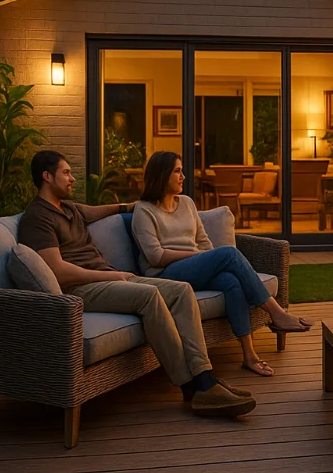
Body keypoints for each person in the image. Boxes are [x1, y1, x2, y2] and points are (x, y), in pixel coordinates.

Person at [18, 150, 255, 417]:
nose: (72, 178)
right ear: (46, 177)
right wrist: (110, 275)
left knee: (181, 290)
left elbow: (95, 211)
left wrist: (129, 207)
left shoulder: (69, 208)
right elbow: (59, 272)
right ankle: (193, 386)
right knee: (149, 296)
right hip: (80, 289)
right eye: (66, 173)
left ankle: (205, 376)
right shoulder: (37, 218)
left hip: (107, 277)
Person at [131, 151, 316, 377]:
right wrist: (198, 258)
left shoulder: (187, 203)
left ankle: (249, 355)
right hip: (164, 275)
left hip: (193, 267)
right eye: (177, 171)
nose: (183, 177)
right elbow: (155, 256)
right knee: (228, 253)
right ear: (161, 175)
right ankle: (276, 312)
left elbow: (203, 241)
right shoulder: (144, 210)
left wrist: (207, 260)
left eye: (182, 171)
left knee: (230, 281)